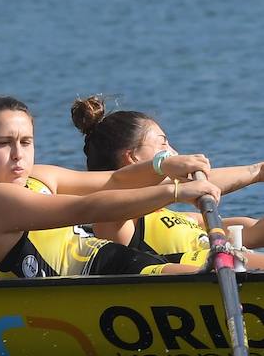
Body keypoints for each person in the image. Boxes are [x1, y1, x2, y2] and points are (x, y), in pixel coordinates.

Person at [0, 95, 219, 278]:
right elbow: (85, 208)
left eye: (26, 142)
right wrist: (173, 192)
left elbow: (114, 180)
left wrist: (161, 166)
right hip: (96, 283)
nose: (18, 154)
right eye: (5, 143)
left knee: (230, 269)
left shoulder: (40, 176)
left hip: (116, 263)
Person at [75, 94, 264, 266]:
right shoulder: (113, 218)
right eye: (163, 143)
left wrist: (259, 171)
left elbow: (255, 232)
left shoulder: (188, 219)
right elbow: (119, 187)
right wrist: (255, 172)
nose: (174, 153)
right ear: (133, 157)